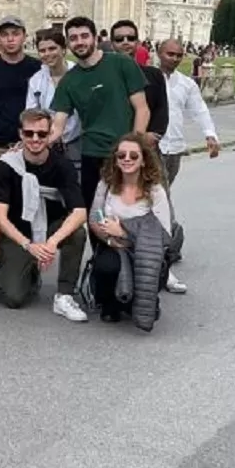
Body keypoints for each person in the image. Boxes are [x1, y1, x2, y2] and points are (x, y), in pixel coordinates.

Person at [0, 108, 89, 322]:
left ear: (50, 133)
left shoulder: (62, 165)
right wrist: (28, 245)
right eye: (29, 133)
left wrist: (51, 243)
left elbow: (79, 212)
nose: (35, 139)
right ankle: (29, 272)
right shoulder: (6, 166)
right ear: (20, 134)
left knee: (77, 233)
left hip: (50, 228)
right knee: (14, 298)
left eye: (42, 134)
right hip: (18, 233)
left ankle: (65, 294)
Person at [48, 17, 149, 209]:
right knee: (95, 212)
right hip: (92, 154)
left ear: (95, 38)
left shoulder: (121, 64)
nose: (80, 42)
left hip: (124, 153)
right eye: (74, 38)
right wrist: (35, 142)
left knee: (131, 208)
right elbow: (58, 125)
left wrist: (135, 147)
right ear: (68, 43)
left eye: (85, 36)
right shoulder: (69, 81)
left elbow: (142, 109)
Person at [88, 135, 174, 329]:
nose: (127, 159)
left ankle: (139, 301)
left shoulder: (155, 190)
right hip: (113, 246)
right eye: (121, 155)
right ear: (116, 159)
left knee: (154, 269)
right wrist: (110, 239)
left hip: (146, 250)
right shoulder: (106, 185)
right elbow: (94, 219)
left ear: (143, 160)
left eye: (134, 155)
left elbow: (165, 234)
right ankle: (111, 304)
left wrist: (124, 232)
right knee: (107, 266)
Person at [156, 38, 220, 292]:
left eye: (179, 54)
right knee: (162, 199)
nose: (174, 58)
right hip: (153, 149)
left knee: (163, 195)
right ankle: (164, 261)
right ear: (159, 53)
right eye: (170, 53)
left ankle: (170, 240)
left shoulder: (185, 84)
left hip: (175, 149)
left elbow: (199, 109)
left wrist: (210, 134)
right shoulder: (147, 79)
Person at [0, 16, 41, 160]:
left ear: (24, 37)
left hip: (30, 145)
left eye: (15, 34)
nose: (10, 39)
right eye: (5, 35)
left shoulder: (38, 69)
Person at [109, 20, 170, 150]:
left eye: (130, 38)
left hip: (145, 145)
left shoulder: (154, 75)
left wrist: (148, 135)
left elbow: (161, 111)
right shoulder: (104, 75)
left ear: (137, 43)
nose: (125, 42)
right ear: (112, 44)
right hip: (111, 145)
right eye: (119, 39)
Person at [26, 28, 81, 164]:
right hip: (47, 145)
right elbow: (31, 115)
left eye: (52, 48)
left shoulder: (80, 75)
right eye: (43, 51)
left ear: (63, 49)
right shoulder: (36, 80)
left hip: (78, 142)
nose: (47, 54)